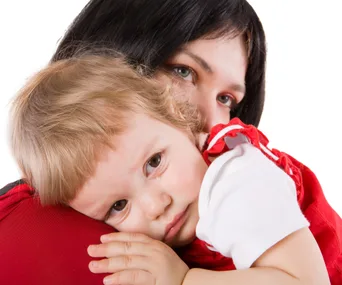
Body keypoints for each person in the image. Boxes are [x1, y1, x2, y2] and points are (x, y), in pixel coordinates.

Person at [0, 0, 341, 284]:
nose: (154, 206)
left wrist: (186, 279)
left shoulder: (235, 182)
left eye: (226, 98)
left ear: (169, 113)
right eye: (184, 71)